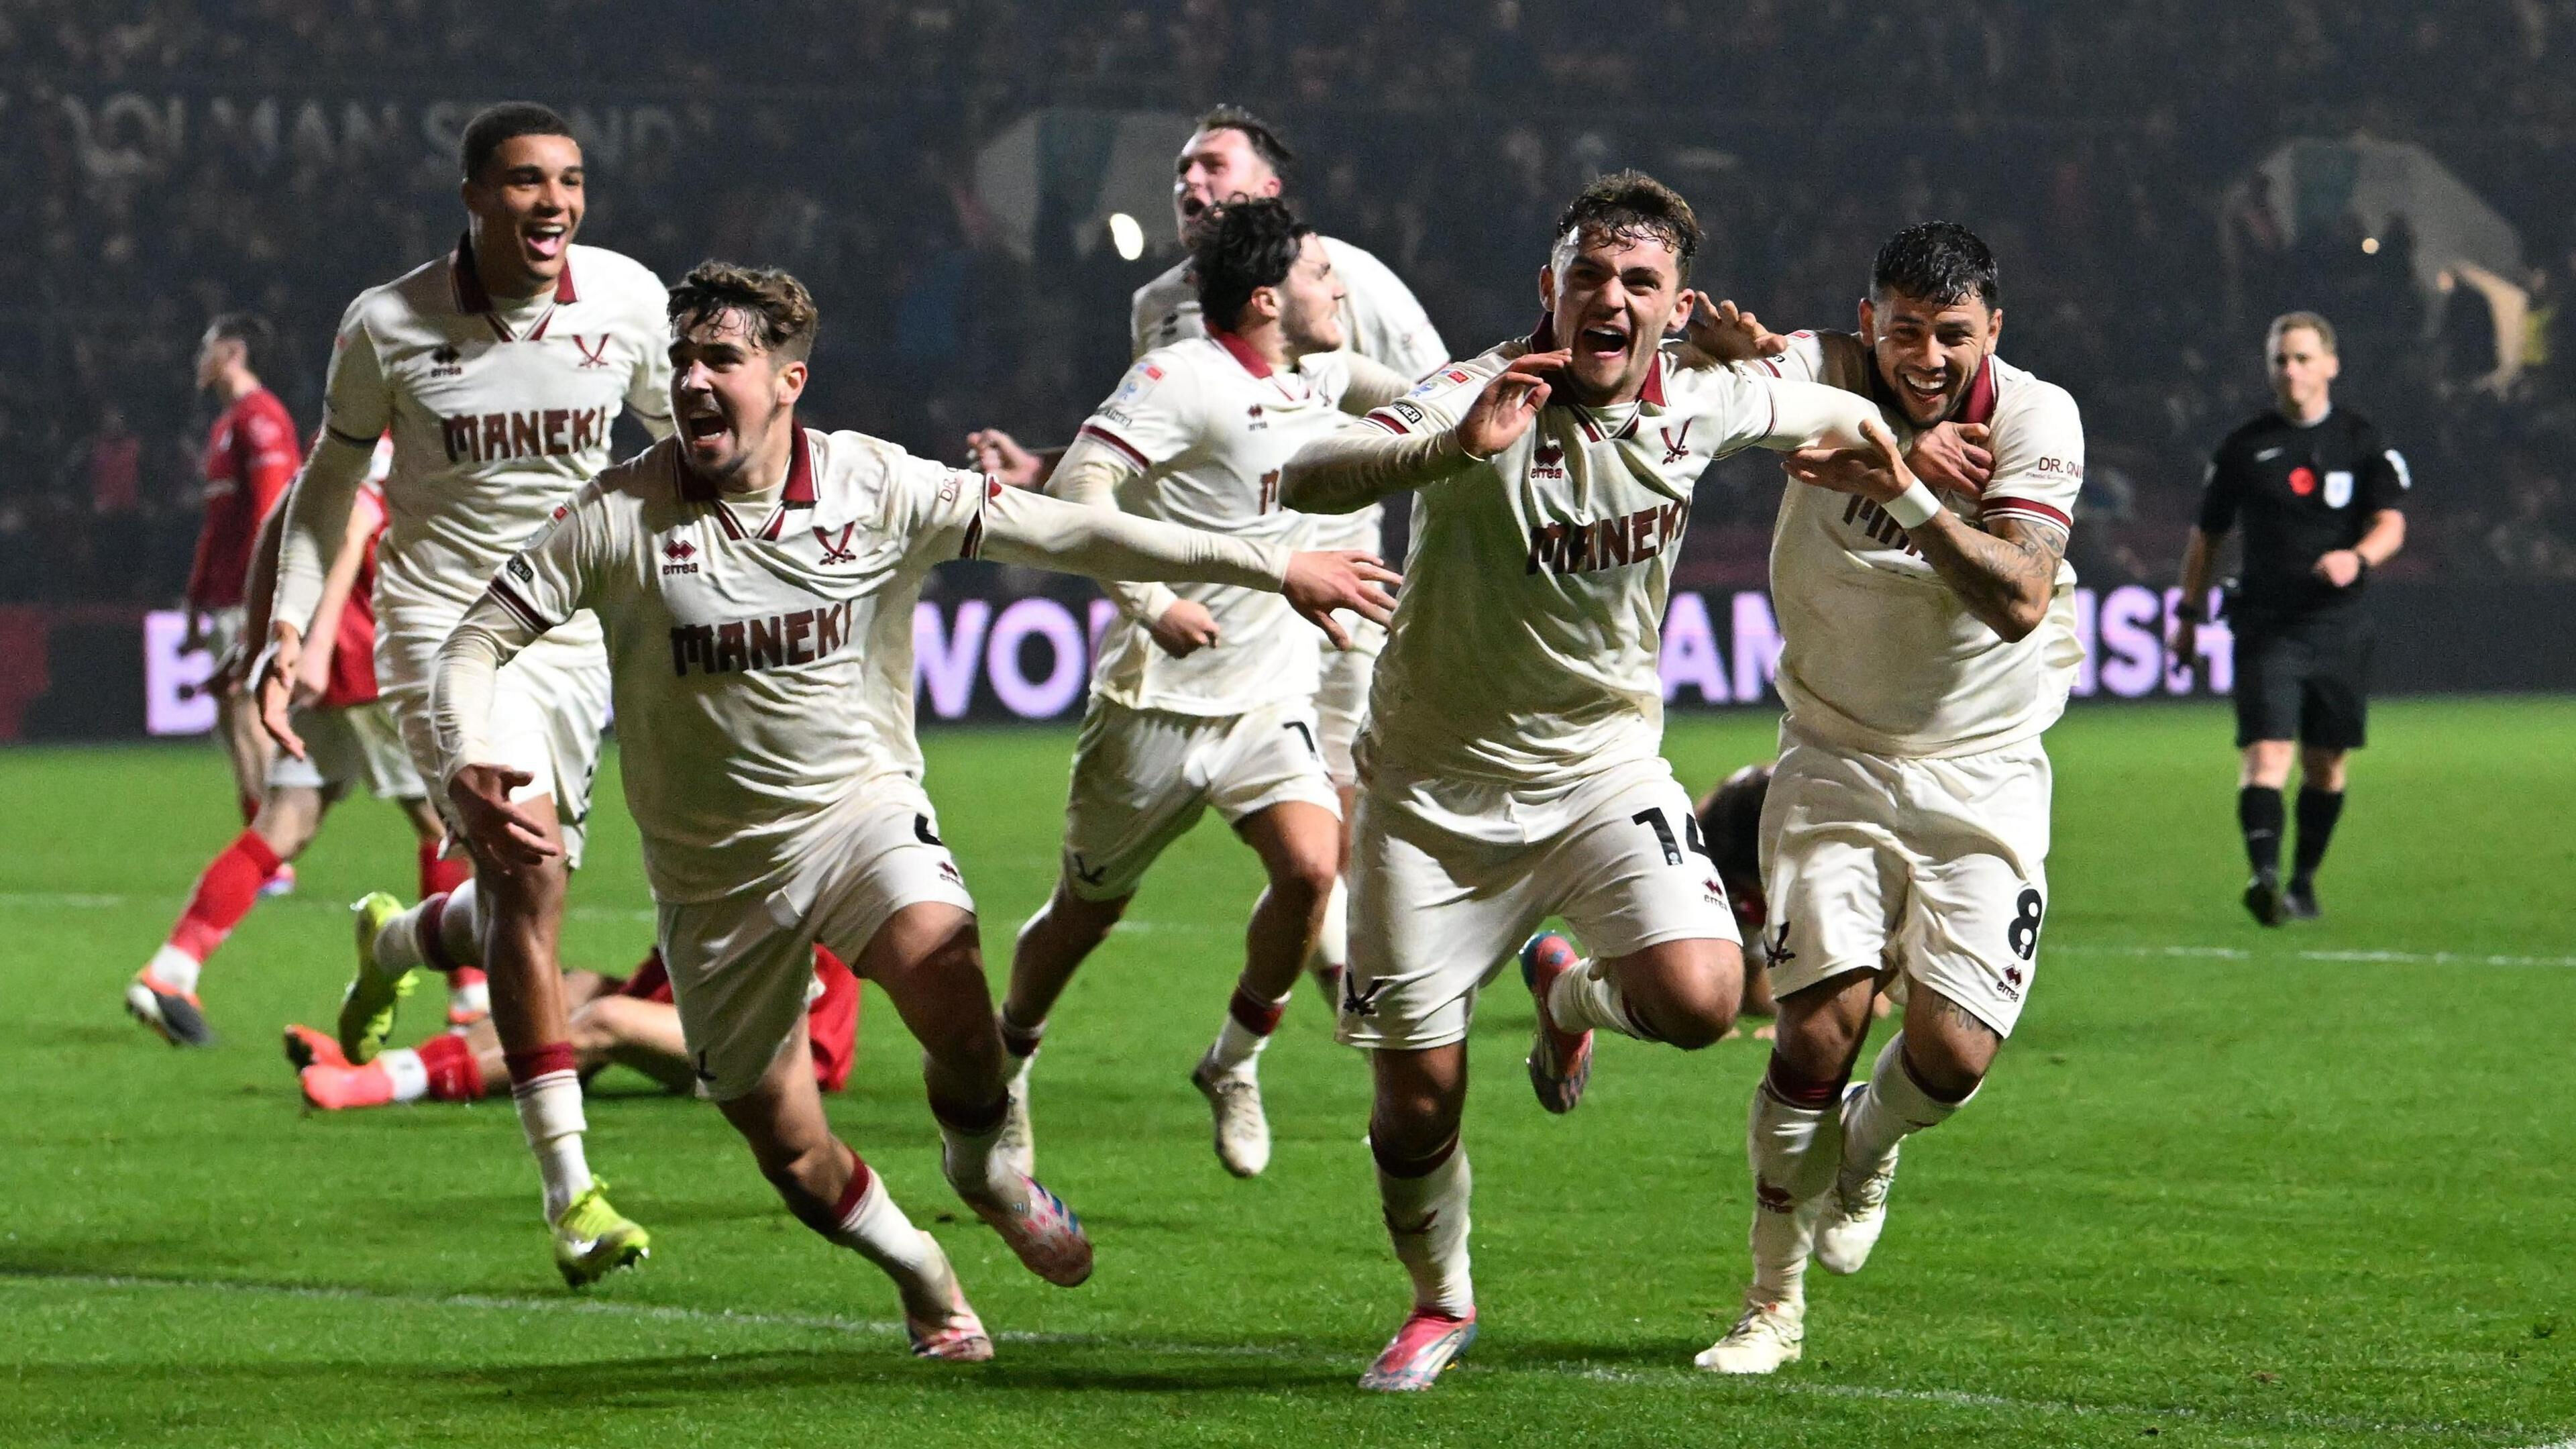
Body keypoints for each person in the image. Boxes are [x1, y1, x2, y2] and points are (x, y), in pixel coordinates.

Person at [430, 261, 1397, 1356]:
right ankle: (924, 1273)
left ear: (788, 378)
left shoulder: (874, 487)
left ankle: (984, 1165)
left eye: (723, 359)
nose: (694, 381)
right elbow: (475, 641)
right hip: (712, 879)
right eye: (683, 360)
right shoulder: (615, 514)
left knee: (946, 963)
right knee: (794, 1155)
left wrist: (1270, 566)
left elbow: (1070, 532)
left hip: (858, 813)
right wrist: (473, 753)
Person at [1276, 171, 1886, 1391]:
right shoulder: (1472, 391)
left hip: (1603, 773)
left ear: (1672, 306)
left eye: (1638, 283)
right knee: (1415, 1102)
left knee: (1709, 997)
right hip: (1432, 799)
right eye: (1589, 276)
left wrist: (1903, 457)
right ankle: (1439, 1302)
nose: (1610, 298)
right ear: (1548, 289)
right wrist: (1454, 446)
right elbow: (1307, 472)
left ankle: (1567, 1002)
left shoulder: (1703, 402)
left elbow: (1844, 408)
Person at [254, 102, 676, 1285]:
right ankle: (573, 1194)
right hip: (443, 636)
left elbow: (687, 446)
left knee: (515, 899)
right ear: (474, 196)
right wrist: (288, 628)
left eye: (572, 182)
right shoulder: (387, 325)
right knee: (532, 886)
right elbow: (327, 491)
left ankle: (392, 940)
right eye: (529, 182)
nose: (556, 204)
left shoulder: (628, 302)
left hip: (571, 637)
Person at [1682, 222, 2086, 1376]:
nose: (1925, 356)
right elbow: (1737, 395)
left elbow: (2016, 598)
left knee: (1952, 1056)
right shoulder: (1825, 373)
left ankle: (1871, 1142)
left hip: (1987, 767)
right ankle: (1770, 1305)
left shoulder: (2035, 419)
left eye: (1951, 334)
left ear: (1992, 332)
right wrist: (1715, 363)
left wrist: (1903, 485)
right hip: (1836, 753)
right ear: (1871, 321)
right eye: (1903, 329)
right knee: (1815, 1026)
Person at [968, 105, 1448, 1002]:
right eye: (1181, 170)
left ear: (1269, 191)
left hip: (1340, 591)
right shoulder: (1160, 314)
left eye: (1212, 166)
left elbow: (1439, 396)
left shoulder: (1348, 280)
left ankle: (1310, 1004)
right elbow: (1147, 452)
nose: (1190, 183)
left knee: (1326, 832)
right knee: (1103, 897)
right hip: (1197, 626)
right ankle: (1337, 978)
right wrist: (1049, 473)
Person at [996, 199, 1415, 1181]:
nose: (1340, 288)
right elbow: (1075, 494)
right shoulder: (1181, 378)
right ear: (1268, 299)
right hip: (1158, 703)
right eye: (1321, 275)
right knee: (1083, 914)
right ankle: (1010, 1057)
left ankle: (1233, 1061)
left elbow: (1442, 398)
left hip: (1269, 698)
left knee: (1314, 871)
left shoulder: (1325, 375)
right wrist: (1148, 603)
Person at [129, 459, 450, 1046]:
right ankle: (475, 1001)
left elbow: (279, 522)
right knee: (448, 822)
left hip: (323, 656)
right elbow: (356, 528)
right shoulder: (395, 429)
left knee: (287, 821)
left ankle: (172, 970)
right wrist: (323, 639)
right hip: (365, 658)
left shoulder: (338, 436)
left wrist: (263, 638)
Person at [2173, 311, 2409, 924]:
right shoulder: (2244, 447)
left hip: (2338, 626)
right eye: (2281, 359)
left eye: (2303, 358)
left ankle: (2303, 881)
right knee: (2267, 754)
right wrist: (2188, 614)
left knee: (2326, 765)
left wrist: (2356, 558)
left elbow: (2391, 523)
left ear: (2330, 365)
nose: (2291, 370)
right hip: (2265, 625)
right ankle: (2264, 875)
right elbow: (2208, 536)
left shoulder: (2362, 441)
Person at [290, 947, 859, 1110]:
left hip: (784, 1052)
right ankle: (386, 1066)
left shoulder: (780, 847)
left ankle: (389, 1088)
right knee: (572, 989)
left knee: (604, 1020)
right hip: (716, 1014)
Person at [184, 313, 303, 841]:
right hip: (225, 599)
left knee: (250, 712)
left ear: (233, 353)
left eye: (207, 347)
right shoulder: (226, 426)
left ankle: (270, 844)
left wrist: (268, 601)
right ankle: (261, 839)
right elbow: (217, 528)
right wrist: (194, 603)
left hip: (251, 598)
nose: (198, 358)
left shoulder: (262, 420)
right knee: (233, 721)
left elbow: (272, 515)